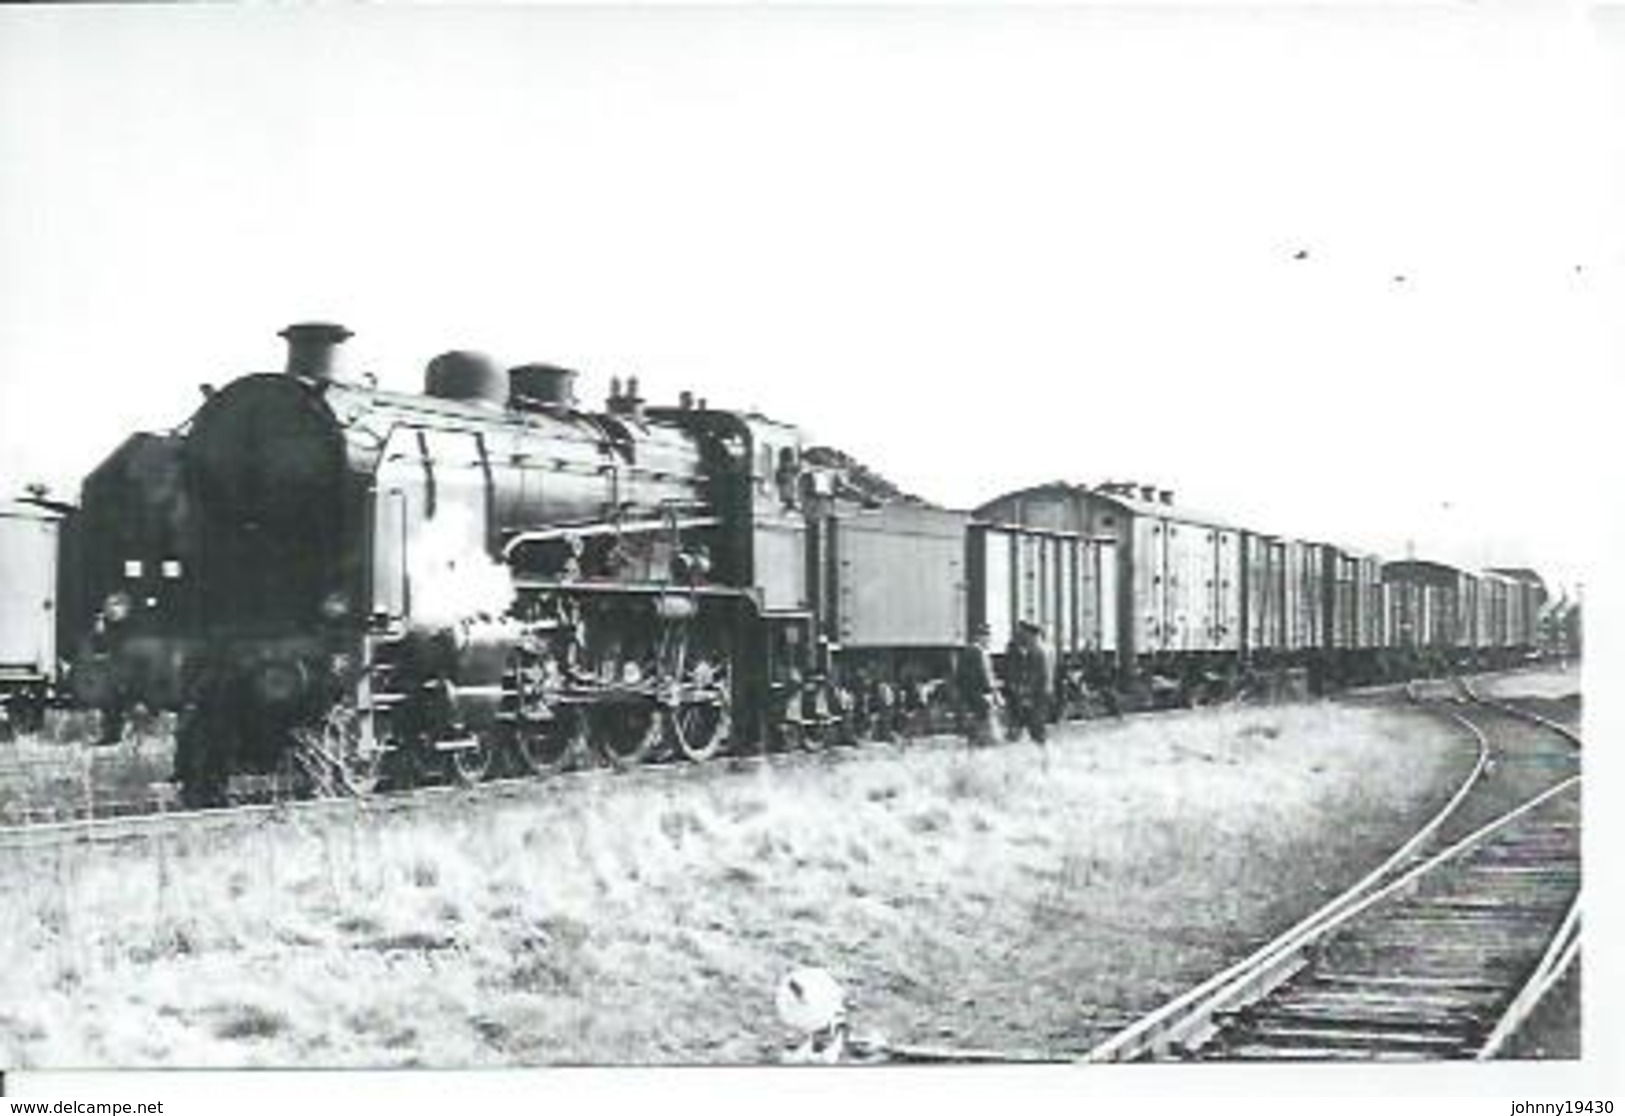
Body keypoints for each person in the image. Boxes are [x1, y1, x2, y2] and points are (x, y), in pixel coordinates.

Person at [1005, 621, 1055, 744]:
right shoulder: (1047, 648)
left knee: (1035, 724)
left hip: (1036, 694)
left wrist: (1026, 693)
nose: (1021, 637)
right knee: (1032, 723)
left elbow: (1036, 675)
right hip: (1044, 692)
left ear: (1030, 634)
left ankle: (1043, 751)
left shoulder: (1036, 651)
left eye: (1023, 634)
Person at [959, 624, 1001, 747]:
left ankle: (977, 741)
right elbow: (985, 675)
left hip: (974, 692)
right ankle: (985, 741)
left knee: (978, 718)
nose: (989, 640)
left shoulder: (971, 650)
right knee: (983, 717)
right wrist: (993, 692)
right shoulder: (978, 652)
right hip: (979, 692)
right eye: (986, 637)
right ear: (979, 637)